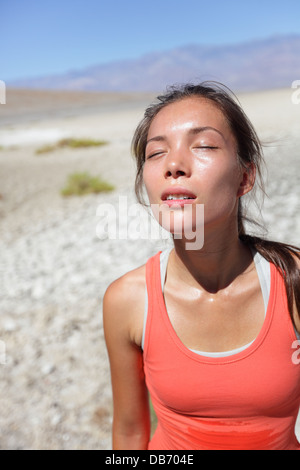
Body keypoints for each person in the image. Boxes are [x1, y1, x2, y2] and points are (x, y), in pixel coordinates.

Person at [103, 82, 300, 450]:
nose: (174, 166)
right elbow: (129, 433)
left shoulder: (292, 281)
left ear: (244, 177)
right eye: (156, 152)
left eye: (204, 145)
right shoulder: (127, 301)